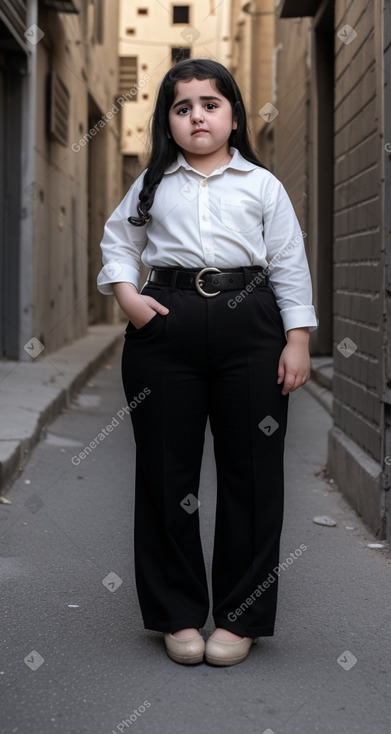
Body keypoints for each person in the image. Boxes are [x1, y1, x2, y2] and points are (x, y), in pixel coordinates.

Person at [97, 58, 317, 667]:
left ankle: (241, 619)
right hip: (165, 327)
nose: (198, 115)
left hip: (252, 328)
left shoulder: (262, 185)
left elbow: (290, 262)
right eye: (182, 106)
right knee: (169, 474)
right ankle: (177, 613)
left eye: (210, 103)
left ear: (234, 115)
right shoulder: (151, 185)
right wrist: (129, 299)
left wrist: (296, 338)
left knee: (252, 471)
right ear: (168, 121)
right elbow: (119, 242)